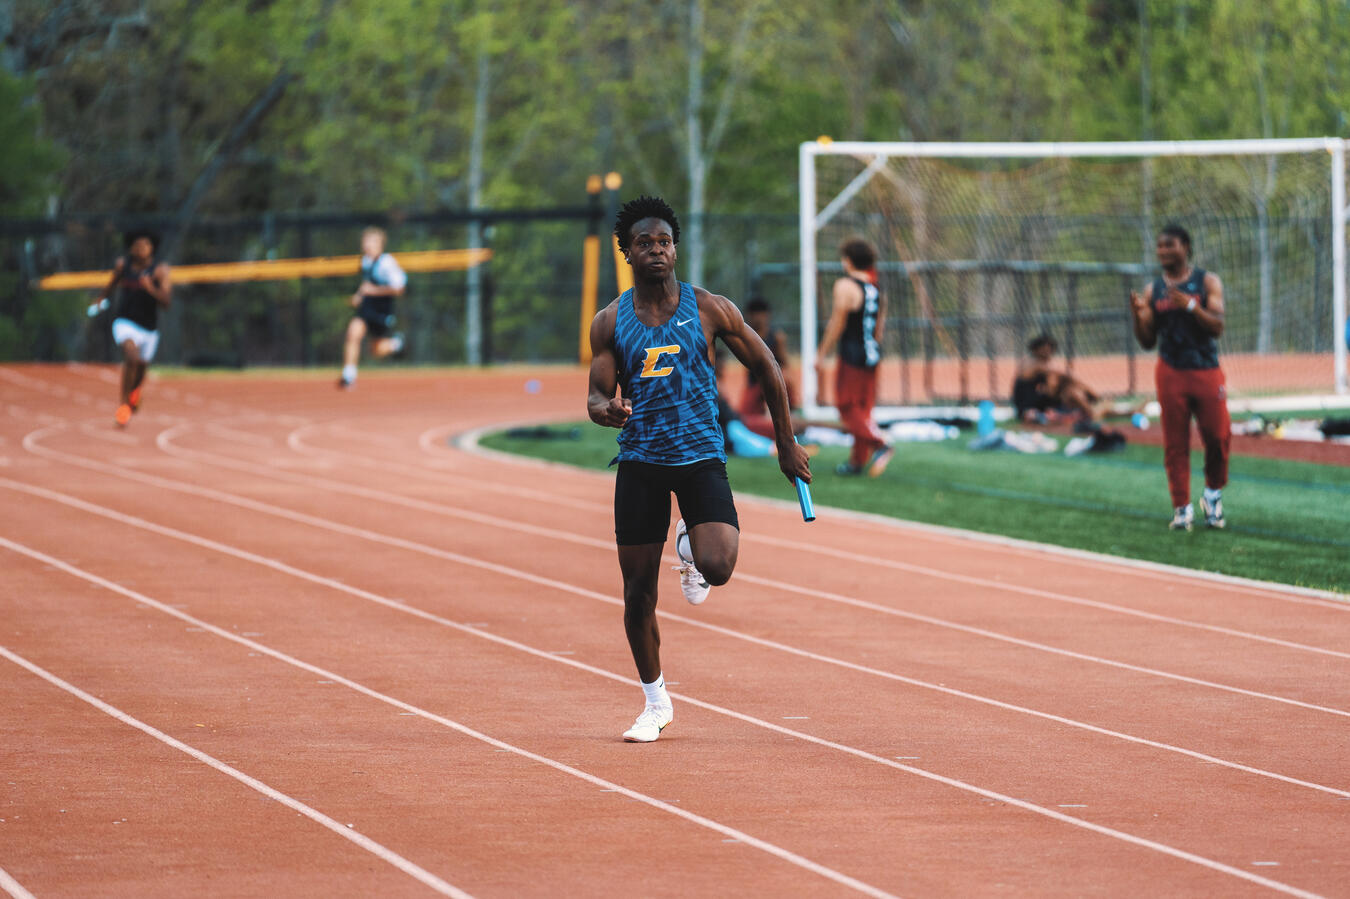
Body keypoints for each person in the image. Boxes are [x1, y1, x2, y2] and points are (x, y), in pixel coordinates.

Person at [587, 195, 811, 743]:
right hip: (640, 460)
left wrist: (786, 443)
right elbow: (595, 394)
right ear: (628, 252)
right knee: (637, 592)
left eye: (664, 241)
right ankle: (655, 700)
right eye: (645, 243)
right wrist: (606, 411)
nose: (657, 250)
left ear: (675, 248)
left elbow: (765, 365)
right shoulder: (611, 321)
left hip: (700, 457)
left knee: (719, 566)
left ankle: (688, 547)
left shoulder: (709, 308)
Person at [1129, 224, 1231, 530]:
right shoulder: (1154, 290)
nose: (1163, 251)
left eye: (1169, 245)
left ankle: (1212, 494)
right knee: (1175, 442)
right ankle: (1181, 508)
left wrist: (1190, 306)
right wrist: (1138, 315)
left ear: (1185, 247)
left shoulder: (1206, 281)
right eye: (1159, 246)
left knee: (1218, 436)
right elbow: (1147, 341)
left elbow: (1217, 325)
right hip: (1171, 370)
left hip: (1205, 369)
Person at [815, 237, 893, 476]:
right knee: (863, 409)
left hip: (852, 354)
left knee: (846, 406)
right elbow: (878, 330)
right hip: (872, 355)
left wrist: (821, 354)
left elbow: (837, 324)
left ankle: (880, 443)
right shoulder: (877, 288)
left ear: (848, 261)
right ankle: (857, 462)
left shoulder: (845, 286)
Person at [100, 229, 172, 426]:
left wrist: (151, 289)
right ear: (131, 248)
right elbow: (111, 286)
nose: (140, 249)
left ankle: (134, 392)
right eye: (137, 245)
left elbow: (166, 303)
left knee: (140, 368)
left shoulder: (159, 271)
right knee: (131, 356)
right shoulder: (124, 266)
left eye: (145, 245)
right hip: (125, 322)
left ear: (152, 248)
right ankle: (123, 405)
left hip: (148, 328)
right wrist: (100, 300)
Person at [1012, 333, 1143, 427]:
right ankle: (1096, 402)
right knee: (1069, 386)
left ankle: (1121, 412)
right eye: (1045, 349)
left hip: (1042, 402)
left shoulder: (1040, 364)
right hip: (1029, 405)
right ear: (1036, 349)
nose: (1048, 352)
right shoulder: (1033, 363)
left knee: (1072, 393)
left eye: (1050, 349)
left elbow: (1053, 384)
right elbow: (1062, 377)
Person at [338, 227, 406, 389]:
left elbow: (399, 289)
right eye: (365, 241)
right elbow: (366, 284)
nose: (368, 245)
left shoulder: (387, 263)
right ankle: (348, 375)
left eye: (372, 241)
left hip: (381, 310)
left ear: (381, 244)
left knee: (376, 350)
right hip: (367, 308)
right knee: (353, 333)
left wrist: (374, 291)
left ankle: (397, 344)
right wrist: (358, 296)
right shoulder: (365, 261)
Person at [737, 296, 800, 438]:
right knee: (742, 420)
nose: (758, 318)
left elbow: (785, 364)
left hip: (774, 379)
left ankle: (786, 412)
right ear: (749, 316)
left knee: (783, 377)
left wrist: (793, 398)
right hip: (755, 384)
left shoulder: (777, 337)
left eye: (761, 314)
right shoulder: (745, 336)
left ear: (767, 315)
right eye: (754, 315)